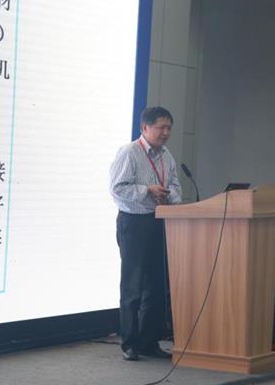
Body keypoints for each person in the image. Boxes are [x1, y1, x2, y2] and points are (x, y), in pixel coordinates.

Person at [109, 106, 182, 361]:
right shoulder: (129, 152)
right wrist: (147, 191)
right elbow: (117, 189)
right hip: (134, 223)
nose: (166, 132)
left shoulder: (167, 155)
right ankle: (130, 343)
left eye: (169, 128)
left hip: (160, 222)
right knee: (133, 285)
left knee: (156, 285)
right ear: (145, 128)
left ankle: (149, 342)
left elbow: (175, 185)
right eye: (161, 127)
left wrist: (168, 195)